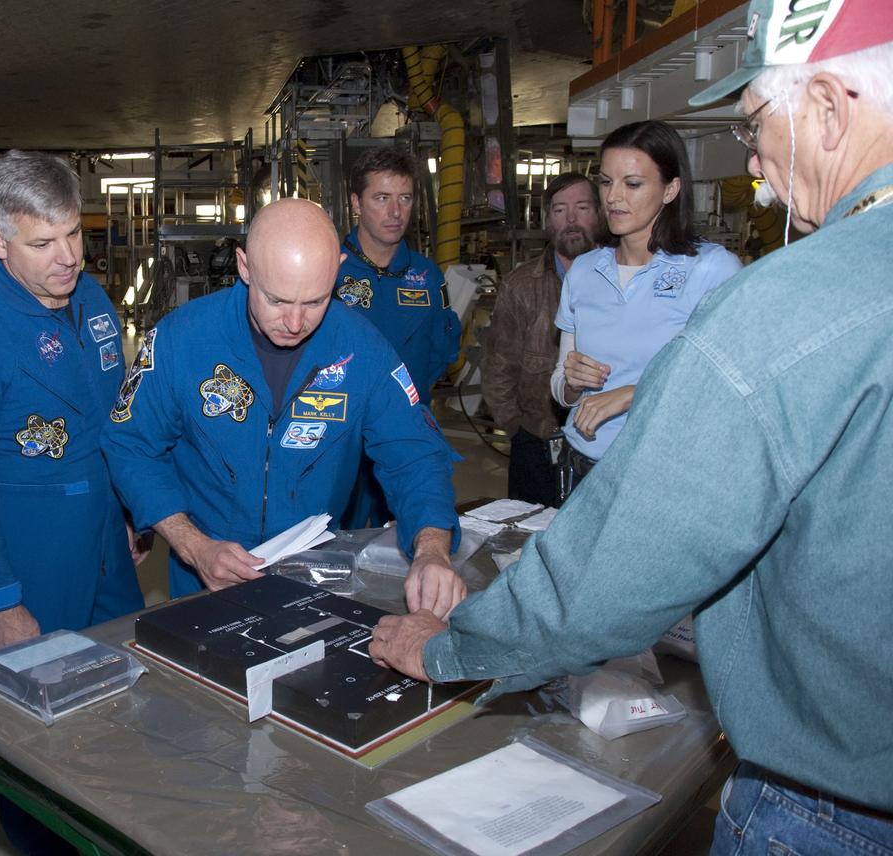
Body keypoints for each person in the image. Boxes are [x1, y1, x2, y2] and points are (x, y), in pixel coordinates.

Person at [371, 1, 893, 850]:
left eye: (758, 125)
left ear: (830, 109)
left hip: (832, 809)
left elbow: (625, 557)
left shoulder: (784, 301)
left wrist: (451, 648)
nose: (755, 164)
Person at [0, 150, 145, 853]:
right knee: (39, 731)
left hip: (108, 540)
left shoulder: (95, 305)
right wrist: (0, 601)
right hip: (34, 554)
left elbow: (117, 419)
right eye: (44, 243)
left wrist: (135, 510)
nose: (69, 257)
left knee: (123, 695)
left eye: (75, 234)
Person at [102, 197, 466, 618]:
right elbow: (130, 445)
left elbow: (415, 454)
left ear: (338, 270)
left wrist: (433, 551)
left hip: (315, 571)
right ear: (244, 266)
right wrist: (192, 544)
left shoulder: (362, 349)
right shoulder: (181, 341)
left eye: (314, 302)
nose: (295, 323)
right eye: (276, 301)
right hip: (205, 572)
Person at [549, 120, 741, 497]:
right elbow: (560, 384)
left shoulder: (711, 270)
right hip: (583, 463)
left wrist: (632, 393)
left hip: (664, 471)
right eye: (606, 182)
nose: (614, 198)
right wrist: (570, 385)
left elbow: (725, 386)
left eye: (632, 184)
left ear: (670, 189)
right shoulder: (585, 271)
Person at [334, 148, 462, 527]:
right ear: (356, 203)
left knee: (411, 539)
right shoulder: (328, 270)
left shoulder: (426, 275)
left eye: (405, 198)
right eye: (381, 198)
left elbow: (441, 350)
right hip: (342, 440)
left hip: (405, 436)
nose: (395, 212)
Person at [481, 173, 601, 507]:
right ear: (547, 220)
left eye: (582, 207)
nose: (572, 220)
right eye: (560, 210)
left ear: (599, 212)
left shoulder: (622, 281)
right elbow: (498, 367)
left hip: (606, 442)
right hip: (537, 442)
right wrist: (518, 430)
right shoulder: (521, 286)